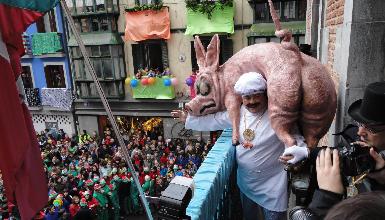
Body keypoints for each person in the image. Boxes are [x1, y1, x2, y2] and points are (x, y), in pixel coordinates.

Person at [172, 72, 309, 220]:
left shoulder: (277, 115)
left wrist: (300, 151)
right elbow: (214, 120)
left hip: (272, 186)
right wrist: (189, 119)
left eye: (256, 95)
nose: (251, 101)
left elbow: (295, 137)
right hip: (246, 183)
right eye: (247, 97)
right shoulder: (238, 113)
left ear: (265, 94)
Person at [307, 81, 385, 218]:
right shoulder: (359, 138)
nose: (360, 132)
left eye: (371, 128)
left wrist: (327, 197)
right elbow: (340, 153)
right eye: (360, 123)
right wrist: (305, 153)